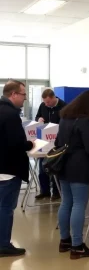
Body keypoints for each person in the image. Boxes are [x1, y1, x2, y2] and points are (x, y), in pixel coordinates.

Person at [55, 91, 89, 260]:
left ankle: (64, 241)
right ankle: (77, 246)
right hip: (81, 168)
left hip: (64, 166)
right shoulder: (85, 121)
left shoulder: (65, 118)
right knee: (79, 205)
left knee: (66, 202)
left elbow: (57, 143)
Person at [0, 80, 34, 257]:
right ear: (13, 94)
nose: (25, 98)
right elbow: (15, 143)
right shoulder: (11, 114)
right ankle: (3, 245)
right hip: (8, 169)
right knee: (6, 208)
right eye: (23, 94)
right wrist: (29, 144)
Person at [35, 89, 66, 201]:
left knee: (55, 168)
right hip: (44, 141)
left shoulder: (63, 106)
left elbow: (65, 123)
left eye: (48, 102)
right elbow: (37, 116)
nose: (46, 104)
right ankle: (45, 191)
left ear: (54, 98)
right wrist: (39, 118)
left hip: (57, 143)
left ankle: (56, 192)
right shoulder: (43, 105)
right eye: (45, 102)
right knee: (42, 168)